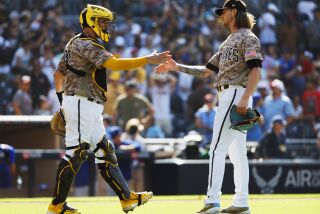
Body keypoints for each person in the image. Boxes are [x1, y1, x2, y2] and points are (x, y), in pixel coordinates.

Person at [47, 4, 170, 214]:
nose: (106, 25)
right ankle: (57, 205)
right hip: (81, 102)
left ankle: (127, 198)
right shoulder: (86, 43)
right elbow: (114, 64)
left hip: (86, 104)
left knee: (105, 151)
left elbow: (59, 75)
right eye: (102, 21)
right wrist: (148, 59)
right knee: (76, 153)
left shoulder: (75, 42)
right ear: (92, 22)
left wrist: (62, 102)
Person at [156, 1, 262, 213]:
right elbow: (206, 70)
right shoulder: (228, 41)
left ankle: (212, 200)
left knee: (216, 148)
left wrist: (245, 98)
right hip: (230, 94)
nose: (221, 15)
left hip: (235, 94)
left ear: (233, 11)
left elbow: (256, 70)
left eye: (223, 11)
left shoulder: (248, 37)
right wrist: (177, 67)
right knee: (237, 153)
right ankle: (241, 203)